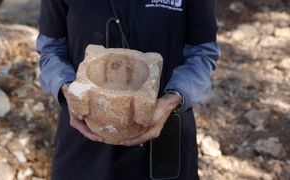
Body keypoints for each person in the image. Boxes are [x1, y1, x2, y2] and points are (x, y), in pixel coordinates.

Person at [37, 0, 220, 179]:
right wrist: (68, 90)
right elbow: (51, 48)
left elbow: (202, 52)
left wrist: (172, 99)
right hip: (84, 129)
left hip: (163, 130)